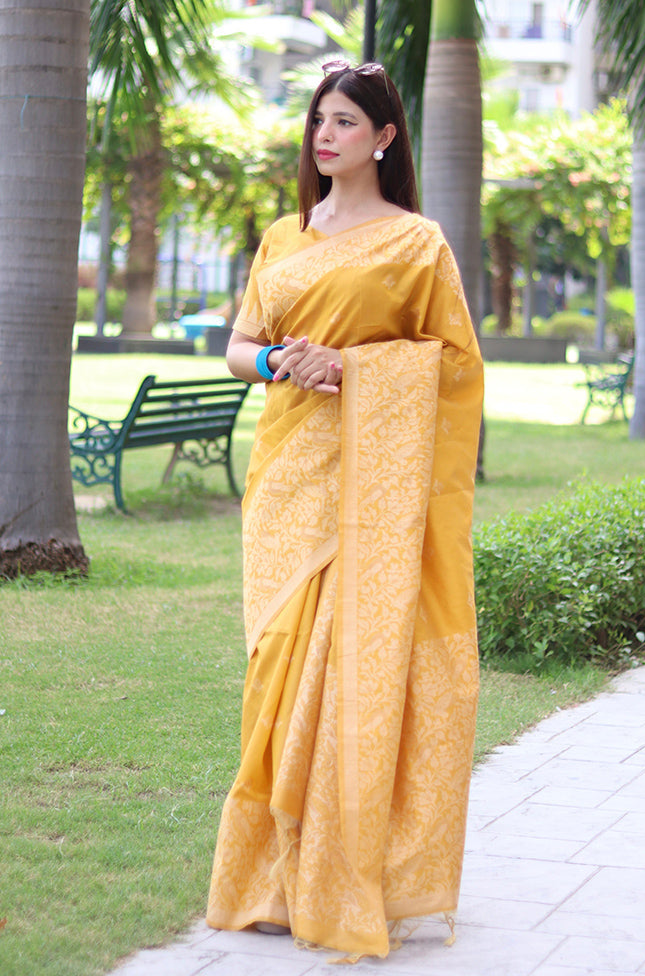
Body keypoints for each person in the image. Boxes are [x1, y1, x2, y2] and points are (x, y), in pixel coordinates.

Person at [206, 61, 484, 961]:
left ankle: (337, 870)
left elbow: (452, 364)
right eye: (318, 121)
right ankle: (272, 875)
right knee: (278, 667)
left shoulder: (416, 243)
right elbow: (239, 347)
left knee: (354, 668)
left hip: (375, 494)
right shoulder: (286, 236)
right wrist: (287, 360)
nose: (325, 137)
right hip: (290, 477)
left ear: (385, 138)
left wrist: (358, 368)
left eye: (344, 123)